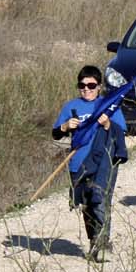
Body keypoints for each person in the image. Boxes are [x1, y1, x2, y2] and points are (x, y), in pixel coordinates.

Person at [53, 65, 127, 262]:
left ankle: (104, 244)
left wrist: (107, 124)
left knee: (101, 200)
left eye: (91, 85)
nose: (86, 89)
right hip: (78, 163)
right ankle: (94, 240)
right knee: (86, 204)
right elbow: (55, 135)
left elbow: (121, 132)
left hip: (104, 162)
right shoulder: (71, 107)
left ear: (99, 86)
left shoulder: (108, 105)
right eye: (82, 85)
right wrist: (65, 126)